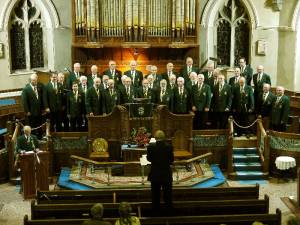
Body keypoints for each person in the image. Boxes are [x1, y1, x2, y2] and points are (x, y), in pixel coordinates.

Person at [147, 130, 174, 216]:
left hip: (155, 174)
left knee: (155, 196)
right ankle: (169, 214)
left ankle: (156, 214)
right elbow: (171, 160)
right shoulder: (169, 147)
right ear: (164, 138)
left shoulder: (151, 147)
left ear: (155, 138)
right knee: (168, 195)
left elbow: (149, 159)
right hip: (166, 174)